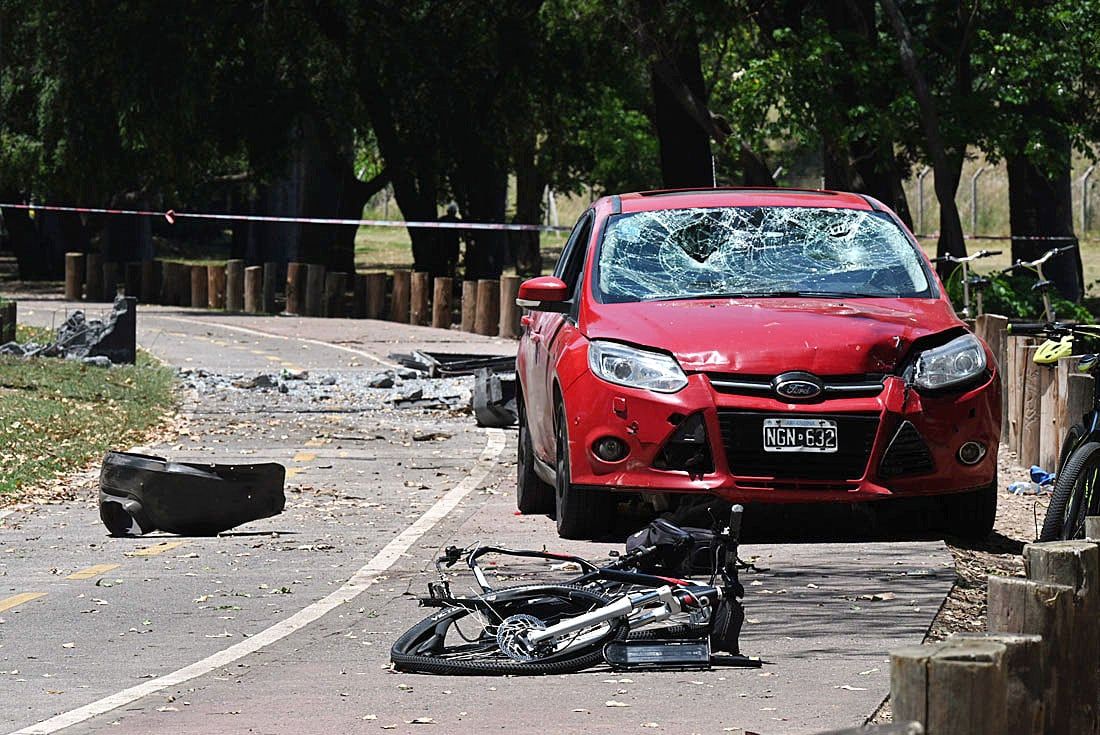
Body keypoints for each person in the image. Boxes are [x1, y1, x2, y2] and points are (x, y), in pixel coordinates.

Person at [436, 203, 462, 279]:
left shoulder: (441, 219)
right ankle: (451, 277)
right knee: (452, 264)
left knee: (444, 263)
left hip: (444, 244)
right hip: (453, 245)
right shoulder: (457, 221)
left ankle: (444, 276)